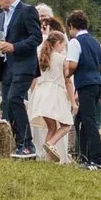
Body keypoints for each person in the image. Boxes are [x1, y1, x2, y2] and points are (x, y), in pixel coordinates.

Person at [0, 0, 40, 157]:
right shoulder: (1, 16)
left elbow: (36, 38)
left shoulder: (27, 11)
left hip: (25, 64)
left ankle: (27, 144)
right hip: (8, 67)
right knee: (9, 102)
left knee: (15, 98)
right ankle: (20, 145)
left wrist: (14, 47)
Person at [28, 22, 77, 161]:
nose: (64, 48)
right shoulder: (62, 60)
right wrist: (73, 102)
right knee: (66, 125)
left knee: (51, 128)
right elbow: (67, 82)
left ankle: (46, 156)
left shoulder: (42, 58)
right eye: (63, 45)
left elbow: (34, 79)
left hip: (41, 93)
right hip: (55, 94)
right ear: (58, 44)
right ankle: (50, 143)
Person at [66, 9, 101, 168]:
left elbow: (73, 64)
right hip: (97, 83)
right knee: (80, 120)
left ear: (71, 26)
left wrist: (67, 74)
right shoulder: (96, 42)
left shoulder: (75, 42)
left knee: (89, 122)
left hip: (85, 85)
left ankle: (97, 159)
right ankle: (84, 156)